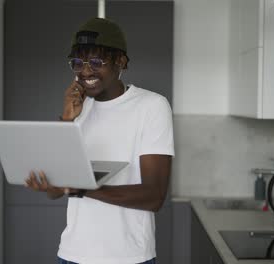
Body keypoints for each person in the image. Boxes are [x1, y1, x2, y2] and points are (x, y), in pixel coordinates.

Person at [24, 17, 174, 264]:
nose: (85, 71)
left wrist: (82, 188)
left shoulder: (152, 106)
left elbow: (154, 196)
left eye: (96, 61)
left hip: (128, 257)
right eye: (77, 63)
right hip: (72, 255)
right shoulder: (78, 110)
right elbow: (56, 192)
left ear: (121, 61)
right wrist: (67, 121)